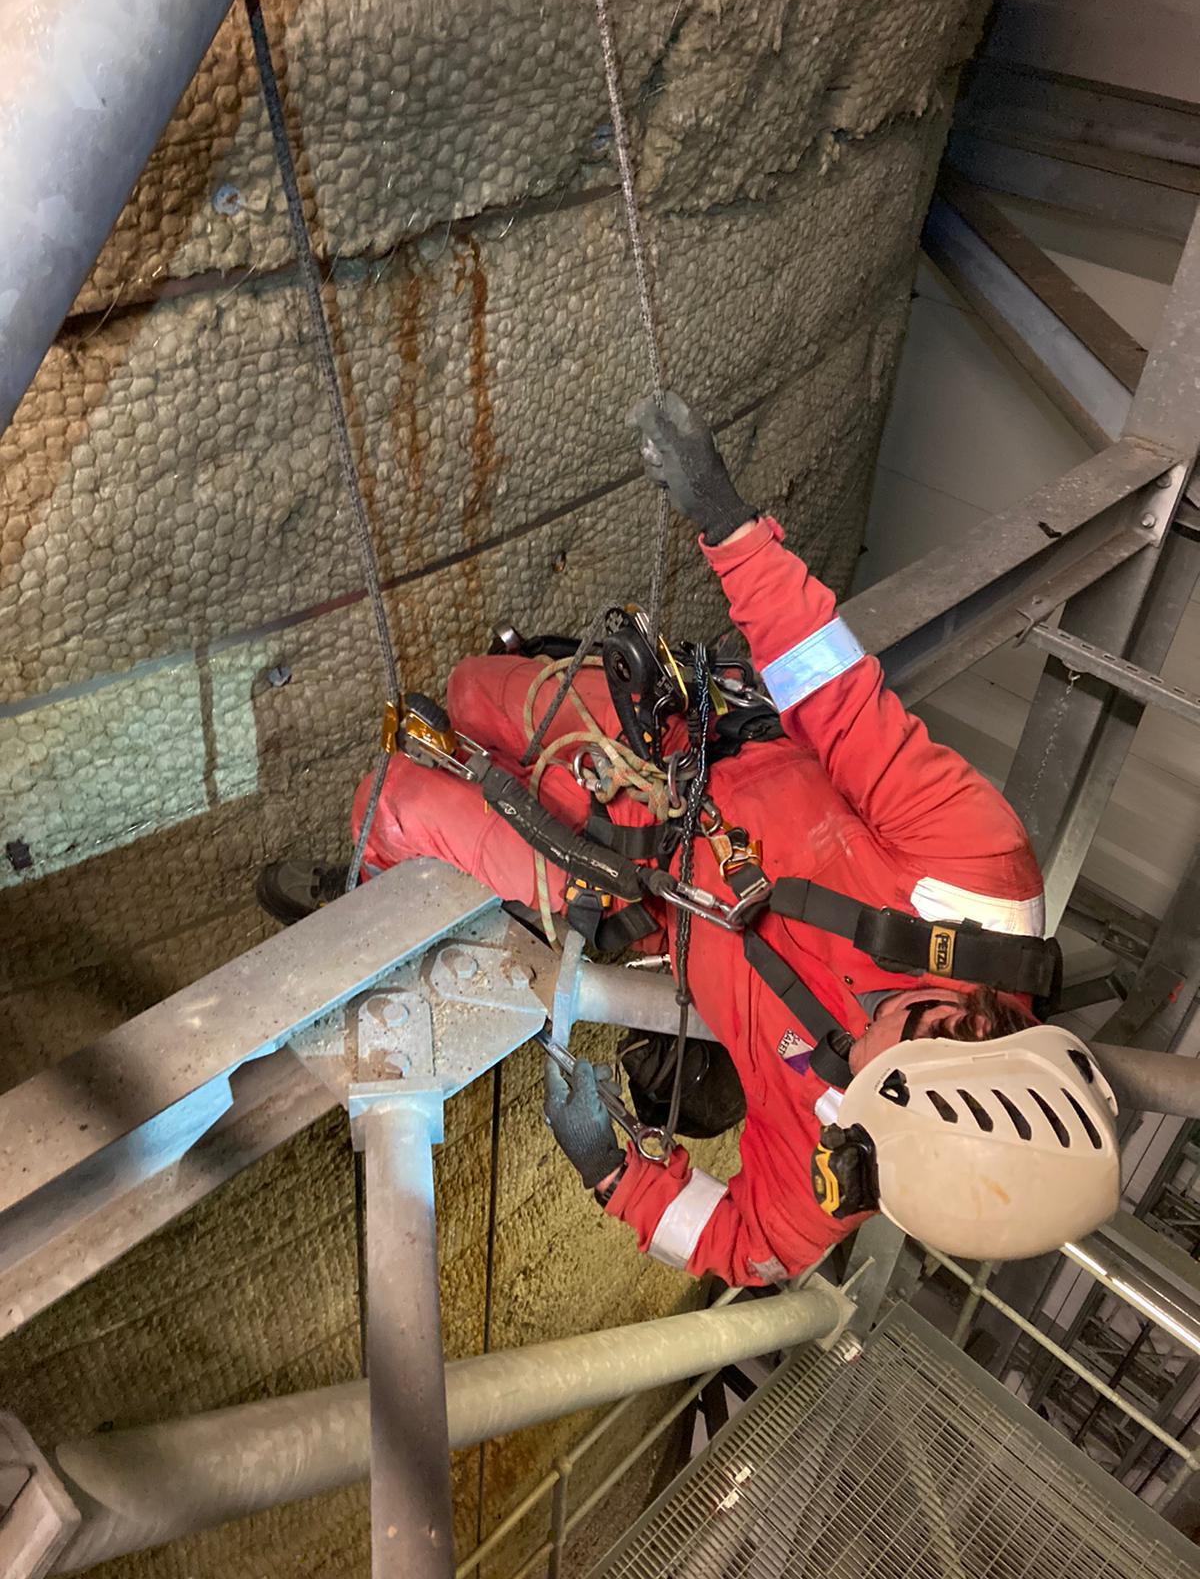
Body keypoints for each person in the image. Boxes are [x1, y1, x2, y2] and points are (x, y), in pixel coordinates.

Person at [258, 394, 1120, 1285]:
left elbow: (741, 1246)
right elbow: (837, 697)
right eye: (902, 1036)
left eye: (864, 1088)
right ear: (973, 1020)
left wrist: (614, 1172)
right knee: (477, 692)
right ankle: (445, 803)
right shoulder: (974, 874)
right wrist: (731, 528)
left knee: (391, 800)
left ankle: (366, 885)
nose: (858, 1054)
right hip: (681, 770)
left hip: (644, 899)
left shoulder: (853, 1158)